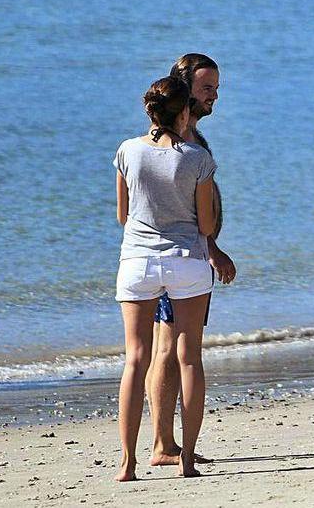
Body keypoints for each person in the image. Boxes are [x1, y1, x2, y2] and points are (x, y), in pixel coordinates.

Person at [113, 76, 219, 481]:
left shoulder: (127, 151)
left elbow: (123, 215)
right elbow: (206, 223)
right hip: (187, 260)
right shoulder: (196, 158)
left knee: (135, 359)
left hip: (137, 261)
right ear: (185, 112)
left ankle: (127, 462)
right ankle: (186, 460)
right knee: (189, 357)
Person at [146, 53, 237, 468]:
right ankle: (164, 444)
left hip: (186, 258)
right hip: (180, 257)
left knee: (169, 348)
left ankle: (165, 442)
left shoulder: (192, 139)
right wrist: (212, 248)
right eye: (206, 88)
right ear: (184, 91)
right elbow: (172, 211)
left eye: (216, 87)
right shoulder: (172, 143)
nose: (214, 96)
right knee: (168, 349)